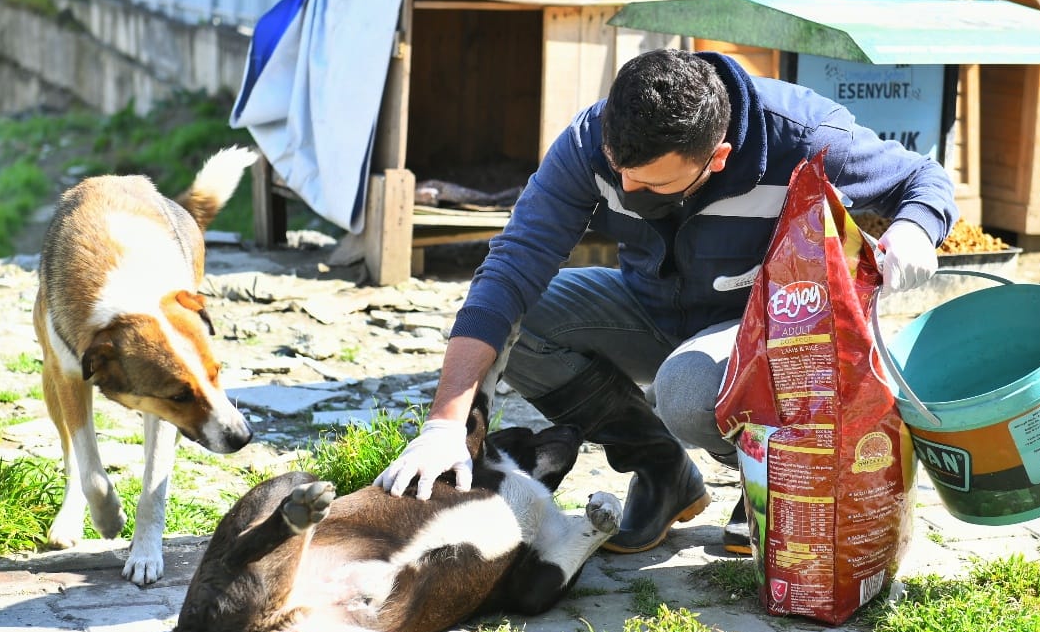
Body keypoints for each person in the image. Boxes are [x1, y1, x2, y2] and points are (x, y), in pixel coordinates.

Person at [377, 48, 957, 554]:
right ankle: (662, 469)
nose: (628, 191)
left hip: (767, 332)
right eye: (621, 173)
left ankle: (766, 478)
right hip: (650, 308)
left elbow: (924, 180)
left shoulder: (805, 138)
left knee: (684, 389)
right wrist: (445, 425)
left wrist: (915, 231)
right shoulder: (592, 141)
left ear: (719, 158)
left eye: (652, 184)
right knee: (520, 321)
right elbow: (511, 266)